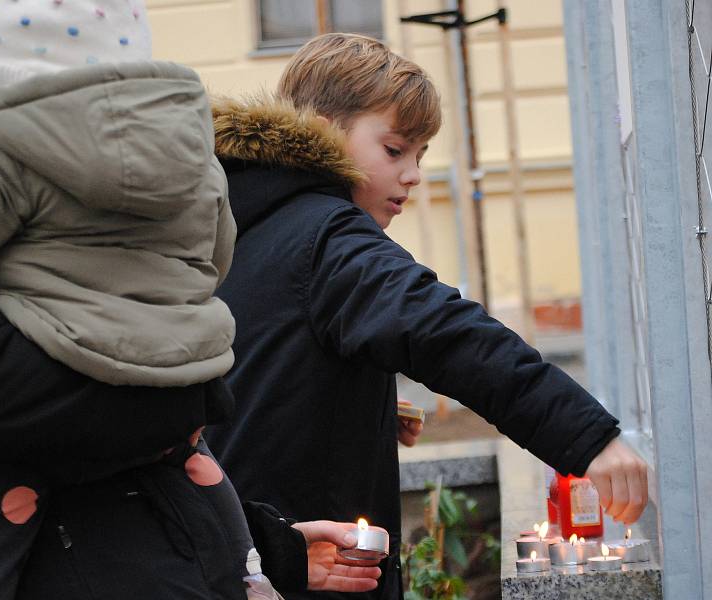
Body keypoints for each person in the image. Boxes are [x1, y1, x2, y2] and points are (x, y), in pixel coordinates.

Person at [0, 4, 381, 599]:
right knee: (195, 472)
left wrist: (279, 545)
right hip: (154, 442)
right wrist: (187, 380)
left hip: (93, 540)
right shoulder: (184, 147)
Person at [206, 33, 649, 599]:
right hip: (315, 572)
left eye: (420, 155)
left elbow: (256, 378)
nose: (413, 174)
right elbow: (448, 334)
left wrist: (359, 406)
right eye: (394, 150)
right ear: (321, 128)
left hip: (240, 559)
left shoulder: (236, 227)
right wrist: (588, 437)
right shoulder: (330, 239)